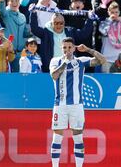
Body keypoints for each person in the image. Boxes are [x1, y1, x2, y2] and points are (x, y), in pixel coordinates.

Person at [49, 37, 106, 167]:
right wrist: (65, 63)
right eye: (64, 47)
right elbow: (54, 75)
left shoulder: (80, 61)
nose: (67, 50)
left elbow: (102, 60)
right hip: (60, 105)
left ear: (74, 48)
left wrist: (88, 50)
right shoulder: (55, 61)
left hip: (76, 105)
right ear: (61, 48)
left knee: (78, 137)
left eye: (69, 47)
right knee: (57, 137)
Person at [0, 0, 30, 72]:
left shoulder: (22, 16)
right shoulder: (6, 14)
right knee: (6, 77)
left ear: (19, 3)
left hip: (20, 53)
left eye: (16, 1)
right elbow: (2, 10)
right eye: (12, 1)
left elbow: (26, 33)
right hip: (8, 52)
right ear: (8, 3)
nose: (14, 3)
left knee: (18, 76)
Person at [99, 2, 121, 73]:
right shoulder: (104, 22)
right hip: (107, 59)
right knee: (107, 82)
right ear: (108, 12)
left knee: (120, 82)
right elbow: (103, 32)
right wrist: (110, 20)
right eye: (112, 12)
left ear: (119, 12)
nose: (114, 14)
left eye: (116, 12)